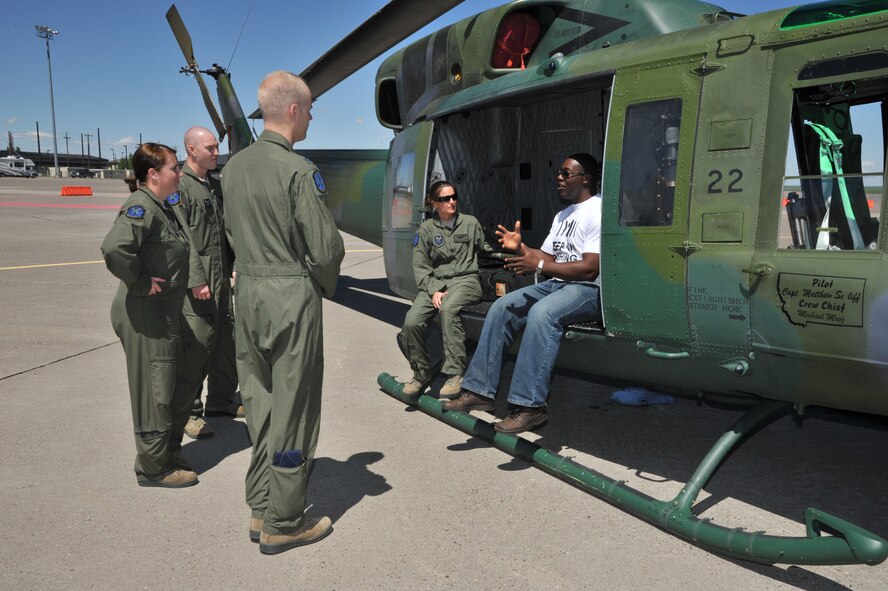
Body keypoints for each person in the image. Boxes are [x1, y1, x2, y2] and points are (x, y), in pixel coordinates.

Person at [221, 71, 345, 555]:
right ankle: (286, 519)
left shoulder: (233, 168)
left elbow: (229, 234)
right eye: (310, 108)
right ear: (293, 110)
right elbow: (324, 248)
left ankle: (260, 503)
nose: (311, 115)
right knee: (294, 408)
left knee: (260, 401)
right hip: (288, 293)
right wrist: (316, 283)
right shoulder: (298, 171)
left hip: (247, 291)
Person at [442, 153, 602, 433]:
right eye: (559, 173)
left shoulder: (598, 210)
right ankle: (479, 391)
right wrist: (521, 249)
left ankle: (531, 407)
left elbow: (590, 268)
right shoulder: (562, 215)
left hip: (589, 288)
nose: (559, 178)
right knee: (504, 306)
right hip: (559, 284)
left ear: (585, 178)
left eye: (566, 174)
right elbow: (548, 256)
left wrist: (538, 263)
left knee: (542, 313)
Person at [101, 143, 197, 487]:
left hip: (161, 313)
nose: (180, 174)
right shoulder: (142, 206)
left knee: (166, 384)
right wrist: (141, 283)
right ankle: (153, 468)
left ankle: (163, 453)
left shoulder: (162, 207)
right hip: (144, 313)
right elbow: (114, 248)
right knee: (154, 389)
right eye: (174, 168)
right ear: (153, 174)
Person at [166, 126, 242, 442]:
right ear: (191, 150)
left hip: (221, 279)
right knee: (196, 347)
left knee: (227, 341)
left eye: (216, 147)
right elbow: (179, 238)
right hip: (197, 283)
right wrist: (196, 279)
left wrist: (235, 263)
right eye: (210, 148)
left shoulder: (213, 186)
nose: (216, 153)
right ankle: (189, 413)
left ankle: (221, 402)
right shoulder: (180, 189)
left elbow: (226, 230)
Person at [399, 180, 492, 398]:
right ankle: (421, 372)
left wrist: (510, 247)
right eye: (445, 199)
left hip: (465, 281)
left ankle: (455, 374)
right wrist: (435, 290)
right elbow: (421, 268)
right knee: (412, 321)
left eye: (454, 197)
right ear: (433, 203)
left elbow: (487, 249)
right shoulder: (425, 231)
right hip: (436, 283)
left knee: (448, 310)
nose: (451, 202)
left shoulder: (470, 223)